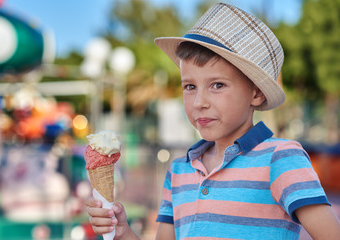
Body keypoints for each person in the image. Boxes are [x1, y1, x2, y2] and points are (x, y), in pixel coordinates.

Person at [85, 2, 340, 239]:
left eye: (218, 85)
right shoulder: (178, 171)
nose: (199, 102)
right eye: (190, 86)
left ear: (256, 92)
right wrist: (123, 232)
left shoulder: (281, 158)